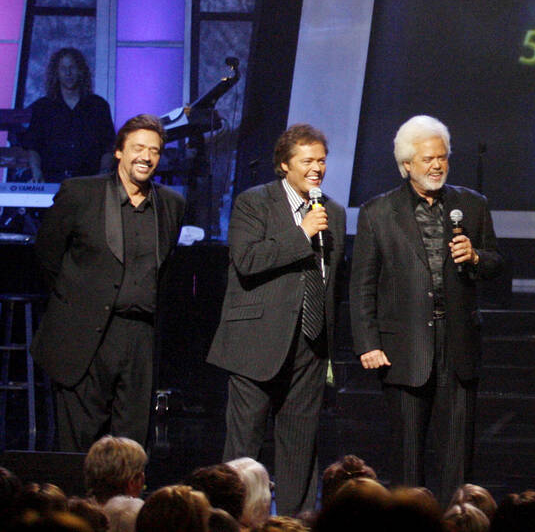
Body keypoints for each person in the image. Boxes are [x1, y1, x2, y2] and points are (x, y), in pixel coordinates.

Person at [349, 115, 503, 503]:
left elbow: (498, 263)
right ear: (406, 165)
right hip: (403, 348)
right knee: (407, 461)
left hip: (458, 347)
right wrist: (368, 342)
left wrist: (477, 257)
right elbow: (363, 284)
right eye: (428, 159)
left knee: (458, 463)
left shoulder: (472, 204)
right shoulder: (377, 213)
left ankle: (460, 522)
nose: (437, 165)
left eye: (443, 158)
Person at [207, 124, 346, 516]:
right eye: (307, 161)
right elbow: (247, 261)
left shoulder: (331, 211)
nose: (317, 168)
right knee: (243, 447)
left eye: (321, 160)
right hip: (256, 341)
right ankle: (231, 519)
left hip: (310, 342)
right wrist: (301, 234)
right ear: (284, 164)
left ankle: (295, 521)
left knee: (300, 445)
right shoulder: (254, 203)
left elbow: (331, 278)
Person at [30, 114, 185, 450]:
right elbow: (47, 254)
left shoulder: (171, 205)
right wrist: (78, 298)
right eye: (138, 148)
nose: (146, 157)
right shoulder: (80, 193)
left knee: (131, 447)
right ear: (119, 152)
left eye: (154, 151)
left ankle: (124, 505)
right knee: (79, 446)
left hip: (139, 336)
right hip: (83, 335)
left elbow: (166, 268)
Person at [23, 47, 116, 182]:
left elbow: (108, 146)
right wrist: (36, 171)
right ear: (56, 73)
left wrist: (103, 174)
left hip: (88, 181)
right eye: (63, 68)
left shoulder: (98, 106)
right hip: (51, 179)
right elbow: (33, 146)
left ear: (80, 71)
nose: (68, 73)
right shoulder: (43, 107)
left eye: (72, 67)